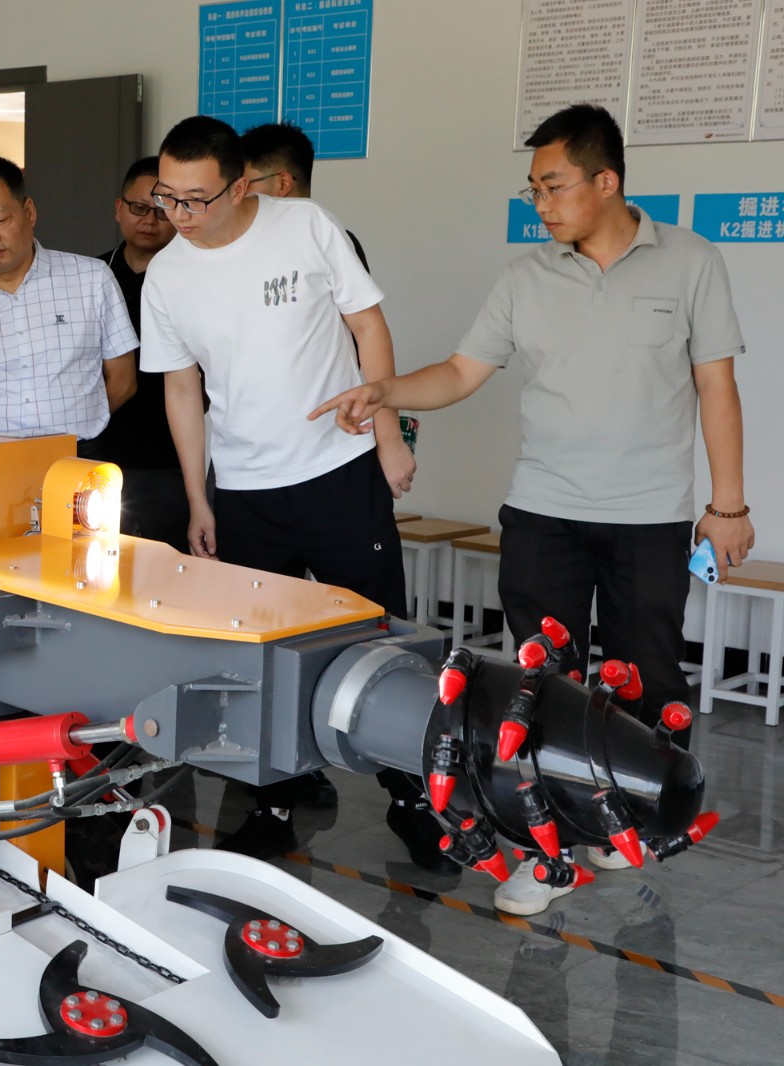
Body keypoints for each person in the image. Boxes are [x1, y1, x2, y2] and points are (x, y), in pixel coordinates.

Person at [311, 103, 752, 913]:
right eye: (533, 189)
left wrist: (728, 507)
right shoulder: (524, 278)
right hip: (544, 512)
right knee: (536, 688)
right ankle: (543, 850)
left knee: (647, 679)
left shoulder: (691, 262)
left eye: (553, 186)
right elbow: (460, 373)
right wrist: (384, 390)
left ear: (606, 181)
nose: (541, 203)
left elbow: (716, 387)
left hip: (651, 516)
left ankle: (630, 823)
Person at [142, 116, 445, 872]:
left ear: (241, 186)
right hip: (246, 491)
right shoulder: (168, 273)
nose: (179, 215)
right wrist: (200, 499)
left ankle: (414, 800)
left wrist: (388, 436)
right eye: (167, 197)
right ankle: (273, 806)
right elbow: (182, 390)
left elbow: (369, 329)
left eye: (195, 199)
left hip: (338, 473)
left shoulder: (305, 226)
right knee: (261, 658)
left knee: (381, 638)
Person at [0, 156, 137, 447]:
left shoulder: (92, 279)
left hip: (80, 457)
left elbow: (123, 381)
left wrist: (83, 424)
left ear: (29, 212)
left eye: (1, 220)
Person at [84, 156, 190, 552]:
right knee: (95, 564)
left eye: (162, 210)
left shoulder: (193, 279)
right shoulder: (90, 277)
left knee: (169, 566)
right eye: (138, 208)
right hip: (98, 454)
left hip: (169, 457)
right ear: (119, 208)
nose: (149, 220)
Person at [239, 122, 369, 270]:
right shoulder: (241, 244)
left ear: (283, 184)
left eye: (245, 185)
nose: (238, 195)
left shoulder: (334, 242)